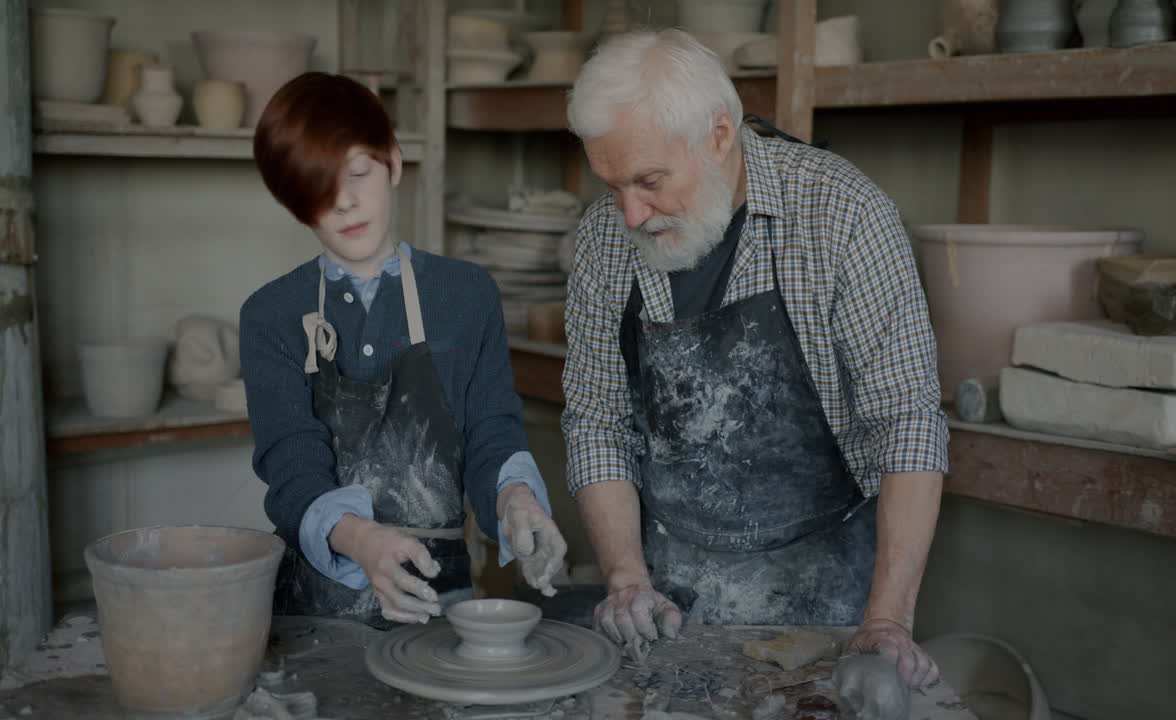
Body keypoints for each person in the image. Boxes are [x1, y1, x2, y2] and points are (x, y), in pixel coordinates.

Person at [560, 30, 950, 687]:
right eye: (612, 184)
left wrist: (888, 619)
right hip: (668, 593)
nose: (630, 211)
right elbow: (597, 424)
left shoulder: (842, 215)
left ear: (718, 135)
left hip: (824, 594)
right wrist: (626, 577)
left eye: (649, 181)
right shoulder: (605, 238)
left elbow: (907, 423)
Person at [241, 72, 567, 628]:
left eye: (358, 174)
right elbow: (292, 468)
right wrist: (361, 540)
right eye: (318, 190)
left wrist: (517, 500)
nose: (344, 202)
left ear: (393, 162)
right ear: (296, 206)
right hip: (317, 610)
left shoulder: (464, 295)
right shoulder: (272, 314)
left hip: (439, 602)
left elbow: (491, 432)